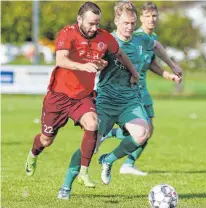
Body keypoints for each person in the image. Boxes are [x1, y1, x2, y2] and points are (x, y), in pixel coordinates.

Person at [57, 1, 181, 200]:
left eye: (132, 23)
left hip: (130, 101)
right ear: (116, 21)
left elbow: (156, 45)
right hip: (106, 102)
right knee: (90, 147)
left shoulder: (141, 39)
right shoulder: (105, 41)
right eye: (125, 23)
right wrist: (97, 64)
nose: (129, 27)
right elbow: (88, 61)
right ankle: (65, 186)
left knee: (143, 133)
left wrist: (172, 65)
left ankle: (109, 160)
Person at [25, 1, 140, 189]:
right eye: (90, 23)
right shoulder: (67, 33)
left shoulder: (103, 37)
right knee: (46, 140)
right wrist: (83, 66)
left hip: (82, 97)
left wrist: (134, 73)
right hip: (59, 97)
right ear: (80, 19)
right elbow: (61, 59)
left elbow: (120, 55)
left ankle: (84, 172)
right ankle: (33, 153)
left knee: (93, 123)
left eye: (97, 23)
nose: (94, 28)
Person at [94, 2, 182, 176]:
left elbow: (151, 64)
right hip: (129, 91)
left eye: (154, 16)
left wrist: (169, 73)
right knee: (143, 130)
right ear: (140, 18)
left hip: (141, 89)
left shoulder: (150, 38)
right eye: (147, 16)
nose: (152, 20)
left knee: (147, 131)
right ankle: (115, 148)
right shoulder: (132, 35)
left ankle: (125, 161)